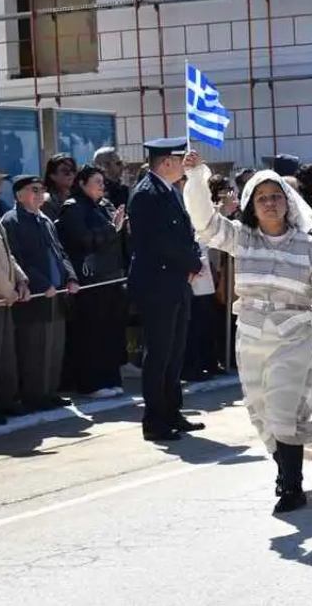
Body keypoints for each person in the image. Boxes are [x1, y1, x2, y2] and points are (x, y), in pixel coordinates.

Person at [183, 150, 312, 514]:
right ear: (251, 204)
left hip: (293, 337)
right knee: (262, 413)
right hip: (250, 337)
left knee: (281, 409)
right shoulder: (242, 239)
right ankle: (286, 471)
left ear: (288, 202)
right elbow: (204, 223)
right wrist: (197, 177)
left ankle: (290, 486)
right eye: (261, 198)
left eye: (276, 196)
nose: (270, 203)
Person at [127, 138, 205, 442]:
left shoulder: (167, 190)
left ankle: (172, 411)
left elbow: (184, 233)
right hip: (157, 284)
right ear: (167, 162)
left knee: (174, 352)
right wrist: (193, 262)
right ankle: (154, 419)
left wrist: (192, 260)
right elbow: (160, 241)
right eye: (180, 158)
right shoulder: (148, 194)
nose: (185, 162)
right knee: (158, 353)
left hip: (175, 282)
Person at [2, 174, 79, 412]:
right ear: (19, 195)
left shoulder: (44, 219)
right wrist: (41, 282)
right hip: (35, 297)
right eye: (34, 190)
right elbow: (17, 258)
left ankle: (49, 391)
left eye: (41, 190)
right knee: (34, 348)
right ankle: (34, 395)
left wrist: (71, 277)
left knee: (54, 346)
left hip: (57, 294)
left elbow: (60, 253)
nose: (39, 194)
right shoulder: (12, 221)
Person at [56, 165, 128, 398]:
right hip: (89, 280)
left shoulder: (104, 205)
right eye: (96, 181)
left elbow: (116, 239)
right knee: (90, 332)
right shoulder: (73, 208)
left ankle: (109, 378)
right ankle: (91, 383)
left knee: (110, 331)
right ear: (82, 184)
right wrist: (112, 228)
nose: (101, 185)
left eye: (102, 181)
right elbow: (83, 239)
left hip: (110, 278)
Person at [0, 185, 30, 424]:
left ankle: (4, 401)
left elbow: (7, 255)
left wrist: (21, 279)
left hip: (4, 297)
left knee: (4, 352)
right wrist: (8, 290)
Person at [41, 154, 76, 221]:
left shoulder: (78, 198)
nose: (71, 174)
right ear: (53, 176)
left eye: (73, 170)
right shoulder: (46, 202)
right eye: (65, 171)